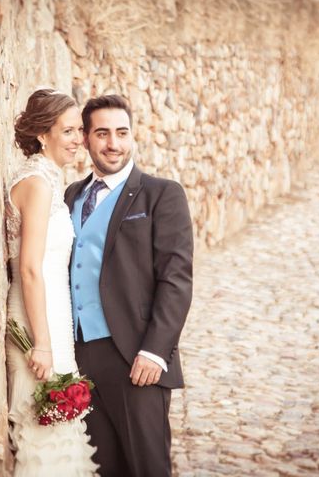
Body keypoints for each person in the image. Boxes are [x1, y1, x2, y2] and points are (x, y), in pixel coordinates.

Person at [64, 94, 194, 477]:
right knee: (102, 469)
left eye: (122, 133)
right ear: (86, 138)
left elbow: (176, 278)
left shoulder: (161, 194)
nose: (113, 144)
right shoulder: (72, 195)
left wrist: (155, 351)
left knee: (147, 467)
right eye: (102, 133)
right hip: (80, 356)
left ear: (132, 136)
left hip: (136, 357)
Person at [5, 88, 98, 476]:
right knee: (44, 432)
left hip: (53, 317)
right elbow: (29, 268)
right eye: (69, 131)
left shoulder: (46, 179)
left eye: (80, 131)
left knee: (59, 428)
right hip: (36, 321)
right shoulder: (38, 184)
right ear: (43, 134)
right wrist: (41, 344)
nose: (79, 140)